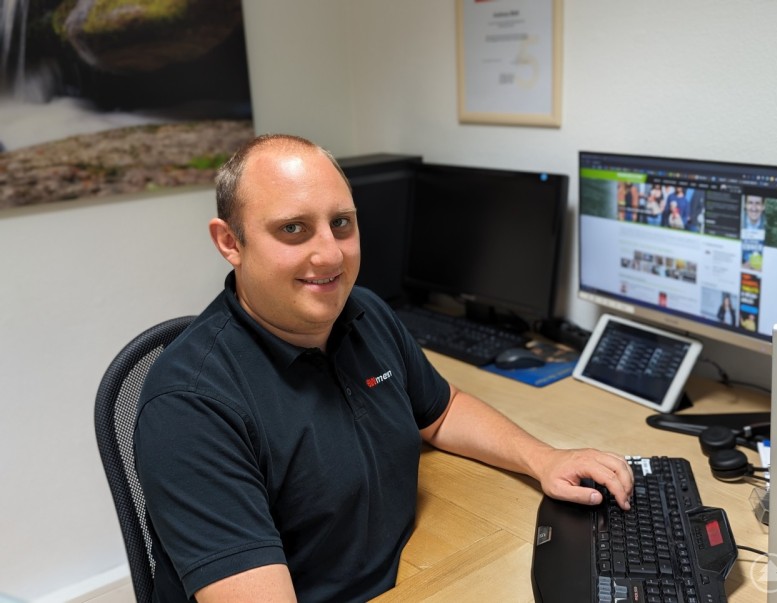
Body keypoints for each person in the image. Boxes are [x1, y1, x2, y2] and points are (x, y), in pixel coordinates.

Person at [134, 134, 634, 602]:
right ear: (230, 242)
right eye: (293, 228)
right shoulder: (188, 407)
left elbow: (442, 410)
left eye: (341, 223)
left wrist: (544, 459)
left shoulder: (366, 312)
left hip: (417, 571)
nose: (330, 254)